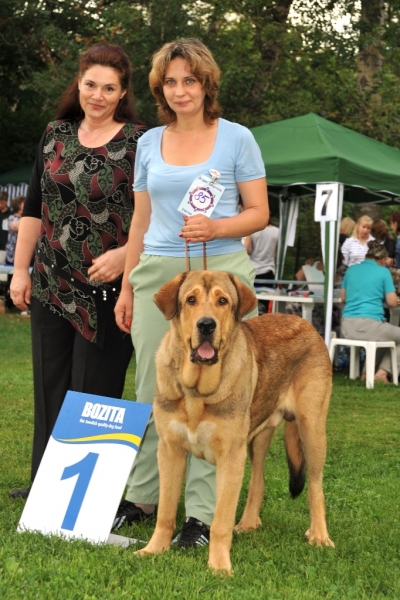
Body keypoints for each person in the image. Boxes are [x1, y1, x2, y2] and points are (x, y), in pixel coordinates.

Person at [113, 38, 269, 546]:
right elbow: (139, 220)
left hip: (219, 268)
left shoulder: (237, 138)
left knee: (217, 391)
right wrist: (127, 286)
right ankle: (143, 498)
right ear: (160, 88)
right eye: (171, 81)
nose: (181, 90)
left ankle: (200, 518)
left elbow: (259, 214)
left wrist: (218, 226)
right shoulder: (146, 142)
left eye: (191, 80)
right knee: (153, 390)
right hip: (159, 274)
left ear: (207, 85)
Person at [9, 42, 147, 499]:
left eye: (110, 88)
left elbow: (156, 213)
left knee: (95, 392)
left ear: (123, 91)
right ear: (79, 83)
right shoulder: (55, 134)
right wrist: (21, 270)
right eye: (91, 84)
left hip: (108, 289)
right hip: (50, 280)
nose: (98, 95)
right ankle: (42, 487)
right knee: (50, 388)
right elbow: (34, 207)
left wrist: (127, 254)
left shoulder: (140, 143)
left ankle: (86, 497)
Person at [340, 240, 400, 384]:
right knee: (387, 334)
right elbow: (392, 302)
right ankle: (382, 373)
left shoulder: (351, 270)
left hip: (347, 327)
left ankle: (367, 374)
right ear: (381, 259)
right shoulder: (383, 272)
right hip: (369, 326)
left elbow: (343, 298)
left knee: (385, 335)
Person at [5, 195, 25, 265]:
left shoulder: (25, 218)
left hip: (23, 252)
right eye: (23, 203)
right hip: (12, 252)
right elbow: (18, 227)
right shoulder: (11, 217)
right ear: (18, 205)